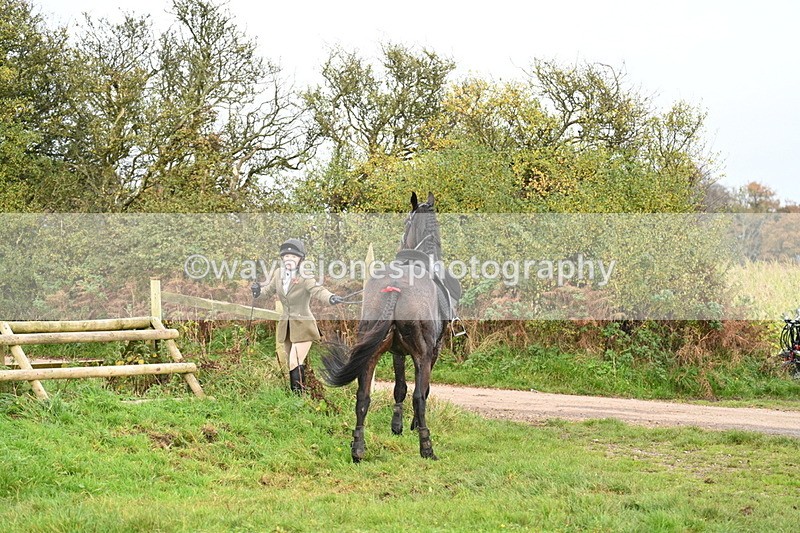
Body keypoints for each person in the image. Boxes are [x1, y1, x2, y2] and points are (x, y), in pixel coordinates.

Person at [251, 238, 344, 393]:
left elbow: (317, 290)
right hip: (287, 326)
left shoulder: (305, 277)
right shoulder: (278, 274)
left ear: (300, 259)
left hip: (303, 326)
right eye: (286, 256)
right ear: (282, 258)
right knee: (293, 362)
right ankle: (302, 392)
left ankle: (298, 399)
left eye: (293, 257)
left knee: (295, 360)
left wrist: (330, 297)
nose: (289, 259)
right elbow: (267, 292)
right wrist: (257, 291)